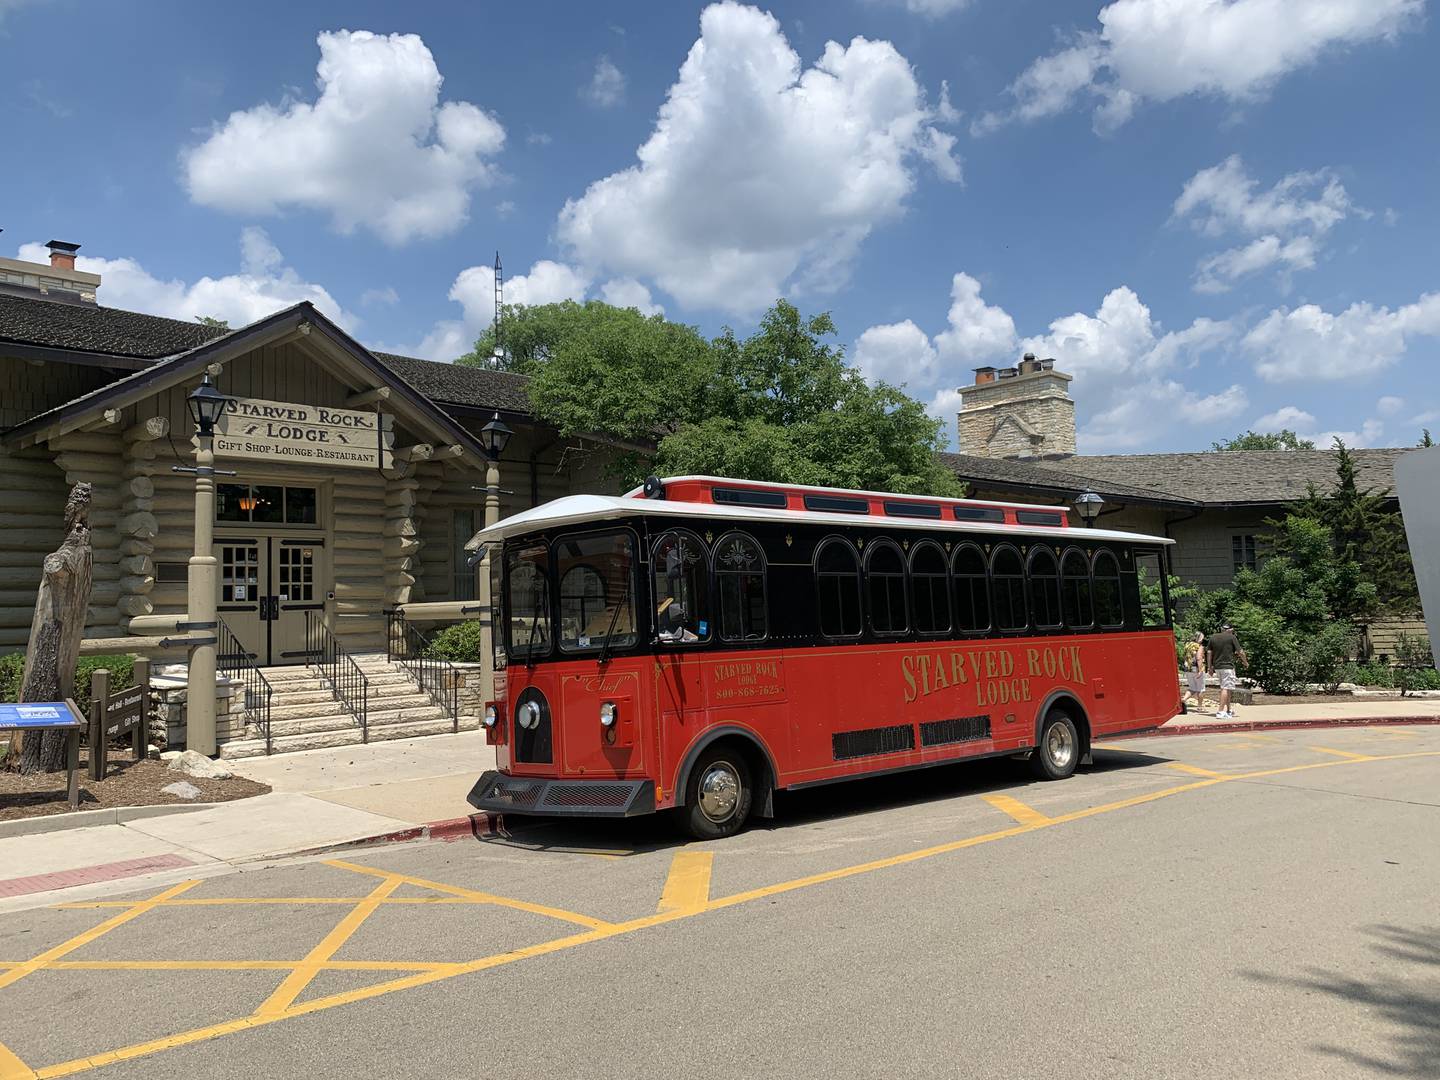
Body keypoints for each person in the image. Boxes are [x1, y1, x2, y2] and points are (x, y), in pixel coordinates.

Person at [1206, 622, 1247, 719]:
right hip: (1227, 667)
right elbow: (1240, 652)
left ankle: (1228, 710)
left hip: (1217, 667)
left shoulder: (1213, 637)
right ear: (1229, 629)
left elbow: (1208, 653)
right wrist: (1245, 662)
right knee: (1225, 688)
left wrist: (1209, 667)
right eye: (1232, 629)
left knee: (1227, 688)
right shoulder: (1231, 637)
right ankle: (1220, 712)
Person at [1181, 631, 1209, 711]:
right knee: (1201, 689)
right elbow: (1199, 658)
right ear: (1199, 638)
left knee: (1192, 687)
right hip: (1197, 669)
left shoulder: (1187, 645)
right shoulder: (1199, 646)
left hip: (1188, 669)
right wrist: (1200, 670)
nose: (1202, 640)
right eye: (1202, 638)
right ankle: (1200, 706)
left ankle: (1184, 699)